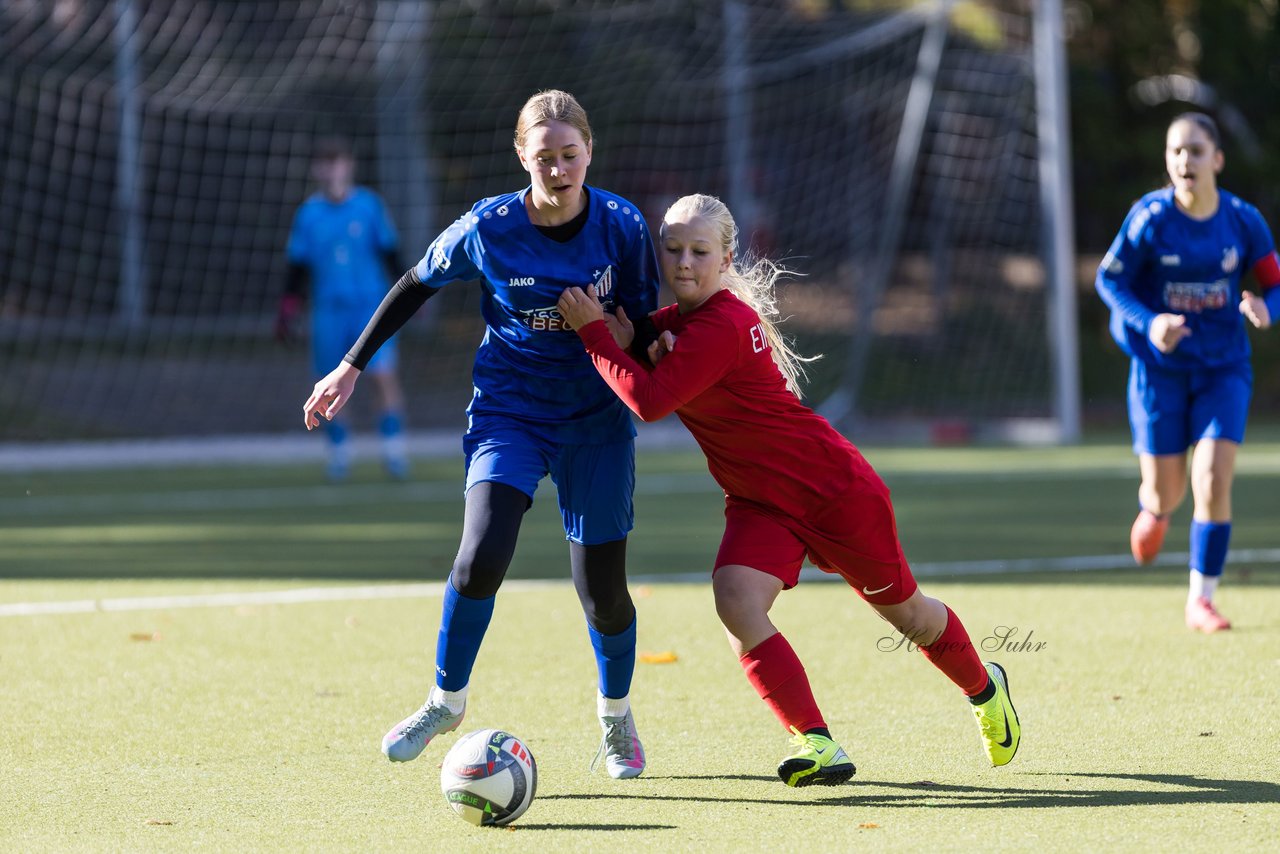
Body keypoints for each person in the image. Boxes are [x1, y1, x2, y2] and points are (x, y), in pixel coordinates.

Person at [556, 193, 1021, 787]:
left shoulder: (722, 324)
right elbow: (650, 342)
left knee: (909, 616)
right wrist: (626, 337)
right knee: (735, 598)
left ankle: (986, 690)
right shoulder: (686, 321)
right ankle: (817, 742)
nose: (684, 263)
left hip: (834, 491)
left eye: (700, 251)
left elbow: (648, 402)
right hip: (759, 502)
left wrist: (595, 334)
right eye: (672, 249)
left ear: (726, 259)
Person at [302, 91, 660, 778]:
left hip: (596, 422)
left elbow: (644, 326)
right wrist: (350, 367)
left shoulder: (621, 225)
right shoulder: (488, 227)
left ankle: (616, 720)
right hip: (511, 410)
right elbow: (414, 282)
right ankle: (445, 700)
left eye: (570, 155)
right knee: (480, 555)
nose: (558, 168)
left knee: (603, 593)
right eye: (544, 157)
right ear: (522, 158)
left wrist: (627, 337)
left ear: (589, 152)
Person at [1096, 112, 1280, 634]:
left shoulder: (1243, 220)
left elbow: (1275, 282)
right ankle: (1154, 510)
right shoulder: (1150, 218)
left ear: (1217, 159)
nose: (1185, 161)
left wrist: (1270, 310)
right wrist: (1150, 322)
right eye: (1176, 151)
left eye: (1196, 151)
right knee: (1166, 491)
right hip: (1160, 372)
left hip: (1224, 369)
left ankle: (1201, 598)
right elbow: (1110, 281)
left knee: (1213, 478)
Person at [280, 136, 410, 482]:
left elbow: (390, 253)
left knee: (382, 376)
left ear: (348, 166)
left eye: (337, 161)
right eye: (325, 163)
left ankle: (393, 452)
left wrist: (413, 296)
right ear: (317, 170)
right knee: (330, 382)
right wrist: (289, 306)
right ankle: (339, 455)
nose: (332, 170)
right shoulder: (309, 214)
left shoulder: (369, 206)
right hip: (328, 310)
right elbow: (298, 266)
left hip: (370, 308)